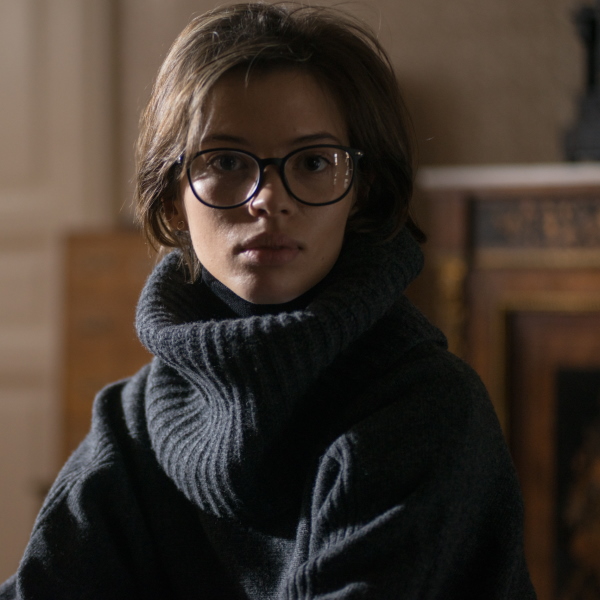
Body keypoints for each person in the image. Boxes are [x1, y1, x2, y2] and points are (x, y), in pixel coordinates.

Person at [0, 3, 536, 599]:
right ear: (173, 199)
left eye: (313, 162)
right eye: (227, 162)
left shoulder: (425, 406)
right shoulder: (133, 421)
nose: (268, 199)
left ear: (361, 191)